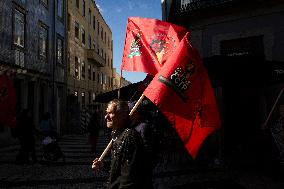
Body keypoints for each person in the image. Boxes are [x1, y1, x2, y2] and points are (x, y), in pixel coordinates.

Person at [92, 99, 147, 189]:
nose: (106, 117)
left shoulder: (129, 137)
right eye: (106, 113)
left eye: (110, 113)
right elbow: (118, 165)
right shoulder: (117, 134)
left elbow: (129, 177)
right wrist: (103, 165)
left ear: (122, 116)